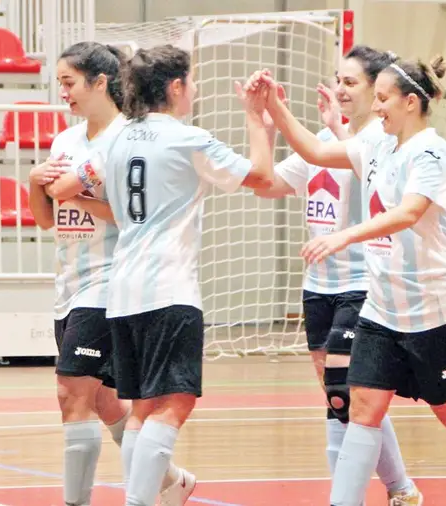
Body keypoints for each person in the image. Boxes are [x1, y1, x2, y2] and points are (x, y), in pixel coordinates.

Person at [248, 55, 446, 506]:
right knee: (362, 409)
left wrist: (345, 236)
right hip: (383, 309)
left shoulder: (432, 152)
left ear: (411, 102)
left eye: (383, 98)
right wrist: (273, 106)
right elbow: (315, 152)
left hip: (435, 308)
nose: (375, 107)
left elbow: (410, 212)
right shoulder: (375, 141)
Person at [70, 44, 275, 506]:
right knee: (174, 404)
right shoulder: (187, 138)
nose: (195, 90)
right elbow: (262, 177)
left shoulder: (119, 138)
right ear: (176, 86)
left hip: (122, 291)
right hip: (168, 289)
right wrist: (256, 121)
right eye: (192, 81)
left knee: (142, 410)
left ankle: (159, 495)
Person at [26, 41, 194, 506]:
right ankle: (170, 482)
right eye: (60, 82)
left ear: (100, 82)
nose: (63, 92)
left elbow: (132, 215)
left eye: (69, 82)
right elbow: (45, 217)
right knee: (101, 401)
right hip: (70, 282)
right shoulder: (66, 140)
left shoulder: (128, 138)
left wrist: (75, 192)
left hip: (111, 282)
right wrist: (33, 179)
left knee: (70, 392)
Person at [252, 45, 421, 505]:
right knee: (343, 398)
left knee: (344, 395)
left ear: (377, 90)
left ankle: (372, 493)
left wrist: (314, 123)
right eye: (338, 80)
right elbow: (266, 185)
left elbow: (341, 156)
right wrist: (266, 130)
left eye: (351, 83)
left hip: (363, 284)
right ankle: (401, 490)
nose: (341, 90)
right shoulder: (323, 146)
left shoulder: (382, 143)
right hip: (318, 287)